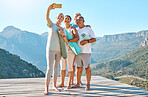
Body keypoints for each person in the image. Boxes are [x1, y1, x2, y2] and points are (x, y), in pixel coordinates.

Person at [44, 3, 67, 95]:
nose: (61, 18)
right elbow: (47, 17)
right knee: (49, 68)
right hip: (50, 49)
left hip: (59, 50)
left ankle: (54, 86)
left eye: (62, 17)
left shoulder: (63, 29)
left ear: (63, 19)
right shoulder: (51, 25)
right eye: (59, 16)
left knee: (56, 68)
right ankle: (46, 88)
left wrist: (62, 34)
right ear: (57, 17)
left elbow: (66, 40)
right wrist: (48, 9)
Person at [72, 16, 96, 91]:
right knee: (78, 68)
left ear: (83, 21)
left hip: (86, 52)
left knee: (87, 68)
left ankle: (88, 85)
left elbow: (94, 39)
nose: (79, 21)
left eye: (80, 20)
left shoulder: (88, 29)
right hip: (78, 52)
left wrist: (87, 41)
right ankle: (77, 83)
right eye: (77, 20)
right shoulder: (76, 30)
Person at [58, 15, 79, 89]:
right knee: (62, 67)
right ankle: (62, 83)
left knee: (70, 67)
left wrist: (68, 41)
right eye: (66, 19)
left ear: (70, 21)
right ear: (64, 20)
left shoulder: (72, 29)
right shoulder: (61, 29)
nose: (67, 20)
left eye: (68, 19)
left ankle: (69, 84)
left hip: (70, 50)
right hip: (63, 49)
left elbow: (77, 38)